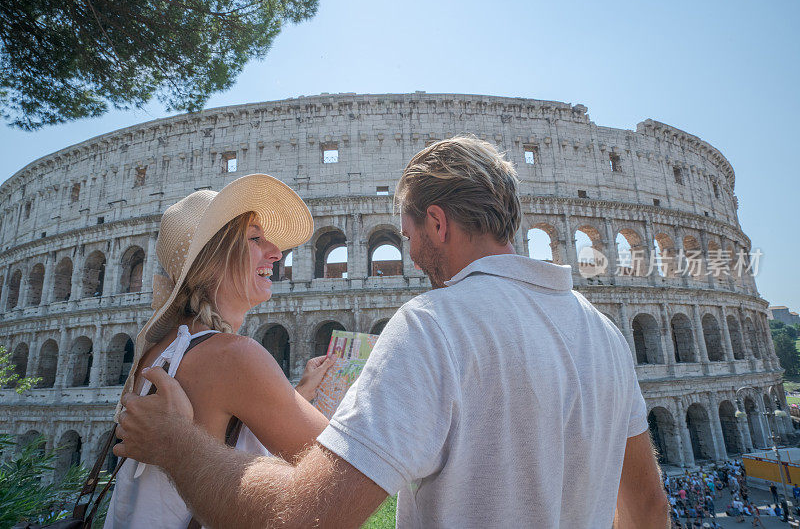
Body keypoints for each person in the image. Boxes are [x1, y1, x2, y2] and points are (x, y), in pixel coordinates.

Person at [114, 136, 670, 528]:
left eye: (406, 234)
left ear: (438, 223)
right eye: (257, 239)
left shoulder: (432, 326)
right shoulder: (605, 336)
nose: (408, 253)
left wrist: (176, 446)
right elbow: (648, 508)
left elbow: (308, 516)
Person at [104, 174, 333, 527]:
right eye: (255, 239)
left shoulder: (163, 349)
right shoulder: (234, 357)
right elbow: (341, 472)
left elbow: (224, 422)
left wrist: (298, 394)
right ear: (214, 258)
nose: (276, 252)